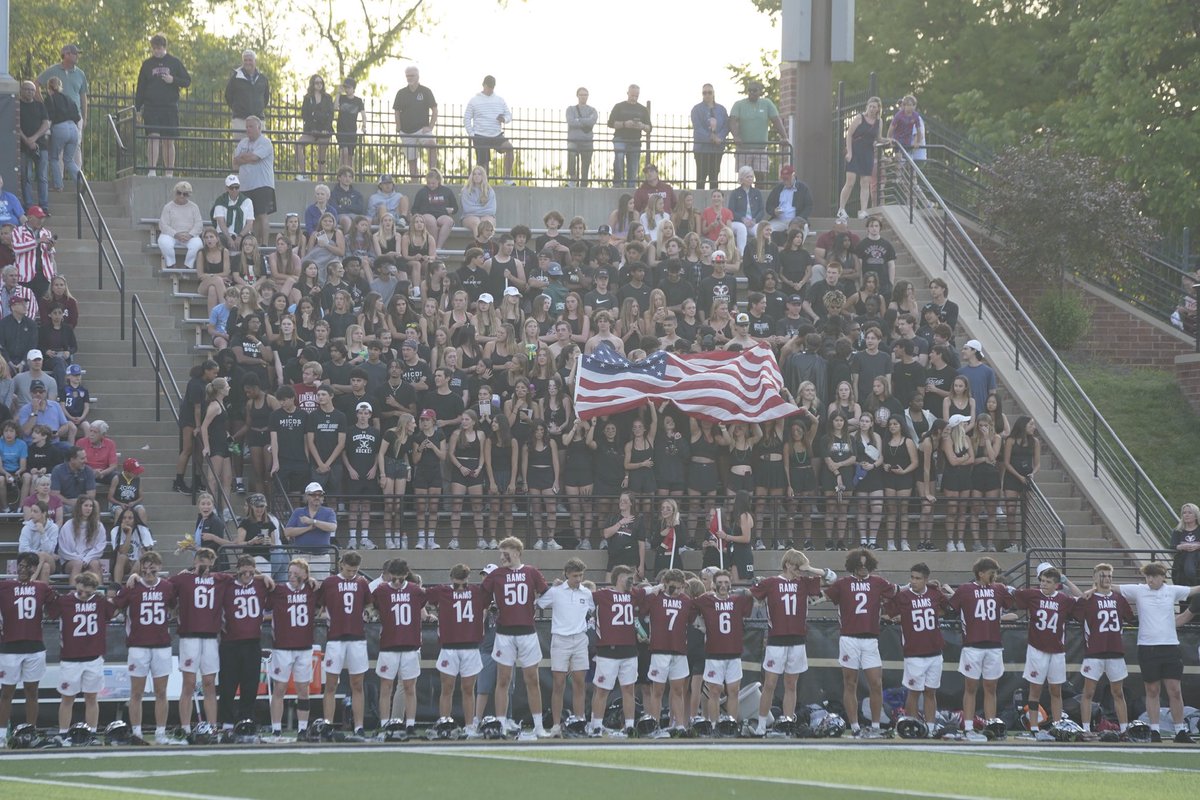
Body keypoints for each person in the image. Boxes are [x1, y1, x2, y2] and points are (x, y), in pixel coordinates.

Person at [1112, 562, 1200, 743]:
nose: (1150, 580)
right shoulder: (1139, 590)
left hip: (1170, 647)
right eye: (1148, 576)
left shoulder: (1172, 590)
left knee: (1175, 690)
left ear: (1162, 577)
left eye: (1153, 576)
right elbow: (1112, 587)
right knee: (1152, 690)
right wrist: (1095, 586)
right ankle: (1155, 731)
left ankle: (1180, 731)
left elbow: (1193, 590)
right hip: (1148, 647)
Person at [749, 549, 832, 735]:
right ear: (787, 564)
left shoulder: (804, 582)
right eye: (797, 566)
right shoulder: (771, 583)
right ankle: (762, 724)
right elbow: (750, 596)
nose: (800, 570)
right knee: (769, 684)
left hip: (797, 640)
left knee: (791, 684)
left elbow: (831, 578)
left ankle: (787, 724)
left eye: (802, 567)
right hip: (776, 640)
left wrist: (810, 568)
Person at [480, 536, 551, 738]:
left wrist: (535, 605)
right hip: (504, 633)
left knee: (532, 679)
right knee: (503, 679)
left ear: (517, 553)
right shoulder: (496, 575)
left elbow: (546, 593)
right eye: (501, 553)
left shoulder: (531, 572)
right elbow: (481, 598)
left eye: (506, 553)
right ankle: (501, 724)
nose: (502, 557)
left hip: (527, 631)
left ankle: (538, 726)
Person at [824, 548, 898, 737]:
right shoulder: (842, 584)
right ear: (853, 565)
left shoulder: (878, 582)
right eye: (859, 565)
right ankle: (855, 726)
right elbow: (825, 596)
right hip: (849, 638)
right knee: (850, 683)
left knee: (876, 683)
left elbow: (899, 591)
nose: (863, 568)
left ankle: (875, 725)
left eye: (866, 565)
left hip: (870, 639)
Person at [167, 547, 232, 736]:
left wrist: (263, 577)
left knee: (210, 684)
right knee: (188, 684)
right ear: (195, 561)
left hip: (211, 637)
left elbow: (245, 576)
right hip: (189, 636)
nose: (205, 565)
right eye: (202, 561)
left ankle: (212, 727)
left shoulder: (219, 579)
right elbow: (161, 587)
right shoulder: (183, 578)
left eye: (209, 562)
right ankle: (186, 728)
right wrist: (134, 577)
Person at [948, 556, 1013, 741]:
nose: (994, 576)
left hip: (994, 645)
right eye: (991, 573)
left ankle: (990, 725)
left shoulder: (999, 589)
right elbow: (950, 607)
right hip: (972, 645)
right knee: (971, 687)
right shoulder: (965, 589)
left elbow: (1012, 604)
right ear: (981, 573)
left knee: (991, 688)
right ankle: (968, 726)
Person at [47, 570, 114, 737]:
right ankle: (63, 734)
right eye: (80, 591)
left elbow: (114, 611)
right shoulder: (65, 601)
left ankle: (92, 734)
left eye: (88, 592)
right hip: (70, 658)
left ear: (94, 590)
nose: (83, 595)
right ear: (76, 586)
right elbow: (50, 612)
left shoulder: (100, 601)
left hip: (93, 657)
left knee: (91, 698)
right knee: (67, 698)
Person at [885, 562, 950, 735]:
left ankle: (930, 728)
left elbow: (947, 609)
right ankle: (913, 726)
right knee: (913, 692)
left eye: (918, 578)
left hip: (934, 651)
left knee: (930, 692)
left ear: (926, 579)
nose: (914, 581)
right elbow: (887, 613)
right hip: (914, 652)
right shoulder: (903, 596)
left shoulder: (934, 593)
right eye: (912, 577)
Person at [426, 563, 489, 736]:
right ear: (451, 580)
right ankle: (445, 725)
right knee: (447, 689)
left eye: (464, 584)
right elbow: (419, 595)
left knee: (468, 689)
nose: (460, 589)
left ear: (468, 580)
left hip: (470, 646)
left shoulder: (477, 591)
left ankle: (469, 727)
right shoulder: (442, 591)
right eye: (456, 585)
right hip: (449, 647)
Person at [1012, 565, 1076, 730]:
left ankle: (1057, 726)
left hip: (1057, 651)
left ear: (1056, 584)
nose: (1043, 584)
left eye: (1048, 582)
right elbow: (1011, 594)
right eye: (1042, 580)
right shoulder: (1032, 594)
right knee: (1035, 690)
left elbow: (1082, 598)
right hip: (1037, 649)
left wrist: (1067, 581)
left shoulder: (1063, 599)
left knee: (1056, 690)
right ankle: (1034, 727)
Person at [1073, 562, 1134, 735]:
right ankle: (1086, 729)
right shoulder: (1087, 599)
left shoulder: (1119, 599)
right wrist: (1090, 592)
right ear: (1094, 577)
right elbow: (1075, 613)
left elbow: (1130, 617)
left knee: (1118, 693)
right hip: (1094, 652)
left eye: (1109, 576)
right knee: (1088, 692)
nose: (1107, 579)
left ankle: (1124, 730)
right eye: (1103, 575)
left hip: (1115, 651)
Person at [535, 558, 593, 735]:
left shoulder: (587, 593)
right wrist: (551, 587)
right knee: (559, 684)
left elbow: (594, 611)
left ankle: (580, 723)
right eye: (575, 575)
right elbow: (538, 603)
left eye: (581, 575)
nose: (578, 579)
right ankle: (555, 725)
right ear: (567, 574)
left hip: (580, 639)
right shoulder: (556, 591)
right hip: (560, 639)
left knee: (579, 683)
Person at [0, 552, 53, 743]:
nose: (22, 569)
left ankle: (31, 732)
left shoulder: (42, 588)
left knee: (32, 691)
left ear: (34, 569)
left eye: (26, 566)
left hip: (34, 646)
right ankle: (1, 735)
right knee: (6, 692)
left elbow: (55, 610)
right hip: (9, 646)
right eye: (20, 566)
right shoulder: (5, 586)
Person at [318, 550, 372, 737]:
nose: (351, 574)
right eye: (349, 570)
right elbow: (320, 607)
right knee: (331, 684)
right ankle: (327, 724)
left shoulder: (362, 582)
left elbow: (369, 605)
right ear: (341, 565)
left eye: (355, 570)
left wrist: (367, 613)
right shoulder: (330, 582)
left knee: (357, 684)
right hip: (336, 637)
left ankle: (359, 726)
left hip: (357, 637)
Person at [265, 557, 319, 740]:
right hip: (282, 647)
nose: (292, 576)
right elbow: (266, 604)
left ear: (306, 574)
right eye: (290, 573)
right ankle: (276, 729)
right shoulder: (279, 590)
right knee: (279, 688)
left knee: (303, 689)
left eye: (296, 573)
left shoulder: (311, 590)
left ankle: (302, 729)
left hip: (304, 647)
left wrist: (312, 582)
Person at [371, 559, 426, 737]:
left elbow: (423, 607)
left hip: (410, 645)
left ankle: (410, 724)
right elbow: (374, 607)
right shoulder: (381, 590)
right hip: (389, 644)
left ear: (406, 575)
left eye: (400, 579)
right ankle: (385, 724)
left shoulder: (415, 590)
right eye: (393, 578)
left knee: (409, 687)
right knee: (386, 686)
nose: (396, 582)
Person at [692, 569, 754, 726]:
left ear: (731, 584)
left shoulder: (737, 600)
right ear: (714, 584)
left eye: (726, 582)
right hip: (714, 653)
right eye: (720, 582)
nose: (723, 585)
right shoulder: (706, 600)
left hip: (733, 653)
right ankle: (714, 725)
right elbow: (692, 604)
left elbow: (751, 596)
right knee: (714, 691)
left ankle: (731, 725)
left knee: (733, 690)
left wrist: (747, 591)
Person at [588, 565, 644, 737]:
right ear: (620, 578)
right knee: (602, 690)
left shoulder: (633, 594)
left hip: (629, 649)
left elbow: (649, 591)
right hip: (608, 650)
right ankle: (596, 726)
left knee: (629, 689)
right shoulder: (603, 595)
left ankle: (629, 725)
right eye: (629, 577)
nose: (632, 581)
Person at [218, 555, 270, 730]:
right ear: (237, 569)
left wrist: (263, 576)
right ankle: (227, 722)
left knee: (250, 685)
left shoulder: (260, 584)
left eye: (251, 571)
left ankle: (246, 721)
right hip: (230, 642)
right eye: (244, 571)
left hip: (253, 642)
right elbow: (210, 576)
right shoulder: (227, 584)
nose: (247, 574)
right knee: (227, 685)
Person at [134, 34, 191, 177]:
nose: (156, 51)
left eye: (159, 48)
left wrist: (173, 80)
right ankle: (152, 170)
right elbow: (141, 87)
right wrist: (137, 107)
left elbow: (187, 81)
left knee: (168, 140)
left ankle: (169, 172)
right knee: (153, 137)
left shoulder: (174, 62)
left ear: (164, 47)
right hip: (151, 107)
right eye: (154, 48)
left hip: (169, 107)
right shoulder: (147, 64)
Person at [37, 44, 87, 174]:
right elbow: (36, 84)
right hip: (57, 116)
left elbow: (83, 96)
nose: (77, 56)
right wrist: (43, 105)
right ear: (66, 54)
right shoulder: (53, 70)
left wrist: (85, 117)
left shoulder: (80, 74)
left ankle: (78, 179)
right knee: (58, 149)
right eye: (75, 53)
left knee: (76, 147)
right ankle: (59, 180)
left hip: (75, 116)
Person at [729, 81, 787, 187]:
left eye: (754, 90)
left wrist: (784, 137)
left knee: (761, 178)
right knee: (744, 179)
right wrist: (736, 136)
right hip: (743, 148)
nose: (751, 92)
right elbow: (732, 120)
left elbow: (776, 120)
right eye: (749, 90)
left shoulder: (767, 104)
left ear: (760, 91)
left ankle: (758, 196)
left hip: (760, 148)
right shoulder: (739, 104)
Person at [232, 116, 275, 246]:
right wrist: (248, 158)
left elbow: (255, 157)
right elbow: (235, 162)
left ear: (259, 128)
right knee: (251, 217)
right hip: (245, 186)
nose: (248, 129)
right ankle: (255, 244)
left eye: (251, 126)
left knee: (262, 215)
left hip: (262, 184)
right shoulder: (242, 143)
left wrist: (243, 158)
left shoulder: (265, 142)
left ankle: (264, 245)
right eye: (246, 127)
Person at [838, 96, 883, 219]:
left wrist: (888, 140)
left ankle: (863, 211)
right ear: (867, 106)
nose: (872, 109)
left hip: (868, 153)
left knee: (865, 182)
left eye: (874, 107)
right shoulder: (859, 118)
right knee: (850, 182)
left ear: (878, 109)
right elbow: (849, 135)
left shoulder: (879, 122)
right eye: (870, 106)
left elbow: (879, 138)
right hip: (855, 151)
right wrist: (849, 152)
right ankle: (841, 209)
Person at [463, 75, 514, 182]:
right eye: (488, 87)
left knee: (509, 148)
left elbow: (509, 115)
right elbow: (467, 118)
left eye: (492, 87)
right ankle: (484, 184)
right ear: (483, 85)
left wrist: (504, 119)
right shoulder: (474, 100)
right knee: (483, 163)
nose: (490, 89)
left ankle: (507, 178)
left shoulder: (500, 100)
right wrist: (472, 134)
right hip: (480, 135)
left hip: (496, 135)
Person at [393, 66, 438, 181]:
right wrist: (399, 127)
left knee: (432, 145)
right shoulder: (401, 93)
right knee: (412, 160)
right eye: (407, 76)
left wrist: (430, 127)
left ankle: (432, 177)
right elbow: (397, 111)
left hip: (422, 130)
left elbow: (435, 110)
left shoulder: (426, 91)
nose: (409, 78)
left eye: (412, 75)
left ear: (418, 76)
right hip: (406, 131)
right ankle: (415, 184)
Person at [607, 85, 651, 189]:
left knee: (633, 166)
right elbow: (610, 123)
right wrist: (624, 124)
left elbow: (649, 128)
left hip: (635, 141)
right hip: (620, 138)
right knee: (619, 157)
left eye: (636, 96)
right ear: (627, 93)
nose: (634, 98)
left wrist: (642, 126)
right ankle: (617, 183)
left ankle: (631, 186)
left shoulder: (643, 109)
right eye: (632, 95)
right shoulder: (619, 106)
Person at [43, 77, 81, 193]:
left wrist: (46, 133)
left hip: (60, 127)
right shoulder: (68, 98)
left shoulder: (50, 99)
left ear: (49, 87)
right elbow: (77, 116)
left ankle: (58, 185)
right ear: (60, 86)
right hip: (73, 128)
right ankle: (80, 182)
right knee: (69, 160)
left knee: (53, 158)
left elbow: (49, 117)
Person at [17, 81, 50, 214]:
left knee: (42, 177)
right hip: (23, 147)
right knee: (26, 177)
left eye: (32, 90)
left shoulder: (40, 105)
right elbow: (15, 124)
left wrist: (34, 138)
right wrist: (26, 140)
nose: (30, 92)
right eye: (27, 89)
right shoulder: (17, 105)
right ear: (21, 90)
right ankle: (29, 206)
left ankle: (44, 207)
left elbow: (46, 124)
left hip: (41, 146)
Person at [690, 84, 729, 191]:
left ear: (713, 93)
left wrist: (720, 138)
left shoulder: (721, 109)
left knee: (714, 178)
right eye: (704, 93)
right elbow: (698, 128)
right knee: (701, 178)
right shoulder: (696, 109)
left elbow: (726, 126)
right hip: (701, 149)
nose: (707, 95)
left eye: (709, 92)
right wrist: (711, 138)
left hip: (717, 149)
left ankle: (715, 200)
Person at [295, 74, 334, 181]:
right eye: (317, 83)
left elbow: (331, 114)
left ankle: (320, 179)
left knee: (321, 156)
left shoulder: (328, 97)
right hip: (311, 130)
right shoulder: (308, 98)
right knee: (298, 145)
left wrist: (326, 129)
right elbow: (305, 115)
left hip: (324, 130)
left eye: (321, 82)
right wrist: (312, 128)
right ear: (312, 84)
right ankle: (303, 173)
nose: (319, 85)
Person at [157, 181, 203, 269]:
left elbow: (199, 224)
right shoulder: (168, 207)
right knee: (164, 242)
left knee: (197, 244)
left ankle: (187, 266)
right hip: (171, 235)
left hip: (189, 235)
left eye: (185, 194)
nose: (181, 196)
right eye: (179, 193)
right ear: (175, 193)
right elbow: (163, 224)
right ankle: (171, 265)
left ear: (189, 195)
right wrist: (176, 234)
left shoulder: (194, 207)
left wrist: (190, 234)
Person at [225, 49, 270, 136]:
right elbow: (228, 95)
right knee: (240, 144)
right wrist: (238, 109)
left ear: (255, 61)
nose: (247, 62)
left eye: (250, 60)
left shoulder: (262, 79)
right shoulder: (235, 78)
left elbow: (266, 98)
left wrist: (258, 109)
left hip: (258, 120)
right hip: (240, 120)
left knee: (259, 144)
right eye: (245, 60)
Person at [283, 481, 338, 550]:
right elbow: (287, 532)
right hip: (301, 554)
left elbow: (333, 527)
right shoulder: (298, 512)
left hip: (322, 554)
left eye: (320, 495)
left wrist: (313, 521)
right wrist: (308, 528)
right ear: (306, 496)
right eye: (313, 495)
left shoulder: (329, 511)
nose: (317, 497)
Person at [564, 87, 598, 188]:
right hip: (573, 140)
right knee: (571, 151)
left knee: (586, 165)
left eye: (585, 95)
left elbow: (592, 121)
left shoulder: (592, 110)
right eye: (581, 95)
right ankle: (572, 178)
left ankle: (584, 183)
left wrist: (578, 120)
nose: (583, 97)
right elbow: (571, 122)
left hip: (587, 141)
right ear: (577, 96)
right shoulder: (570, 109)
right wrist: (585, 121)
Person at [210, 174, 254, 251]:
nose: (234, 190)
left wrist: (240, 236)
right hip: (224, 234)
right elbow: (221, 222)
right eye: (231, 188)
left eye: (236, 187)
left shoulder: (247, 201)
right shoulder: (220, 201)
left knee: (250, 242)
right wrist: (229, 238)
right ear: (226, 188)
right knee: (219, 240)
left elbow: (249, 223)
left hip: (242, 234)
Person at [765, 164, 813, 234]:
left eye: (788, 179)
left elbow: (809, 206)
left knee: (802, 230)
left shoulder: (803, 188)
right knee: (766, 230)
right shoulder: (777, 189)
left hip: (796, 221)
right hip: (779, 220)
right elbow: (768, 205)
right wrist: (774, 211)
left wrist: (799, 219)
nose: (786, 181)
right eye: (784, 179)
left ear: (793, 176)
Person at [958, 339, 997, 414]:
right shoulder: (960, 372)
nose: (962, 351)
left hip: (982, 414)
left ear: (974, 350)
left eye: (966, 349)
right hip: (964, 414)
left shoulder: (988, 371)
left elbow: (992, 394)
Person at [335, 78, 365, 171]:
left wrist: (364, 126)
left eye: (349, 87)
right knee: (344, 152)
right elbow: (335, 107)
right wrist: (338, 93)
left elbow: (363, 115)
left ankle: (349, 174)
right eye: (345, 87)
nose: (346, 89)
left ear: (353, 88)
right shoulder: (342, 98)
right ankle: (342, 174)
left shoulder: (358, 101)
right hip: (341, 129)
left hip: (352, 131)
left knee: (350, 156)